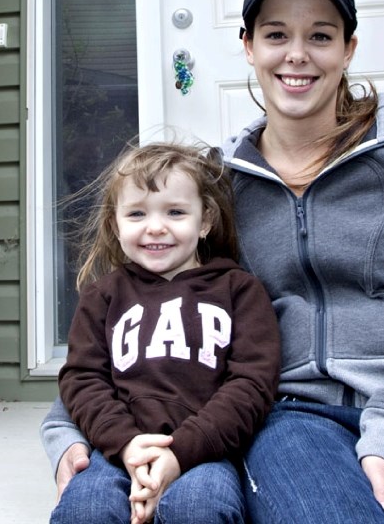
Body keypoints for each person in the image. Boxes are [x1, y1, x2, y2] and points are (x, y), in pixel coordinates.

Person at [42, 0, 384, 524]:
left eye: (320, 35)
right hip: (295, 416)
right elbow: (157, 310)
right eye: (276, 34)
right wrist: (66, 425)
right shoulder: (219, 188)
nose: (297, 55)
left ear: (348, 48)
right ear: (249, 47)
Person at [48, 142, 280, 524]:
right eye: (137, 213)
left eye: (175, 211)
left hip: (206, 452)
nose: (156, 226)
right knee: (84, 509)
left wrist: (180, 453)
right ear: (115, 224)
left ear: (205, 220)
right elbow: (82, 378)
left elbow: (252, 385)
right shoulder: (103, 297)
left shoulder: (239, 291)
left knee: (199, 509)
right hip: (117, 451)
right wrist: (126, 445)